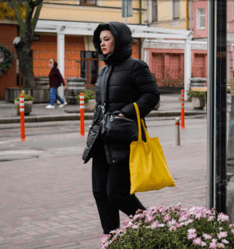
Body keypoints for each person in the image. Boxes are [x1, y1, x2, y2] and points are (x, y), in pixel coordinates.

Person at [82, 22, 160, 235]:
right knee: (100, 192)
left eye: (107, 39)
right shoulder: (104, 70)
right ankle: (112, 239)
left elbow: (152, 95)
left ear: (119, 40)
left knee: (116, 193)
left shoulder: (137, 66)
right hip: (101, 139)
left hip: (123, 140)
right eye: (100, 40)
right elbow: (101, 106)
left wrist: (126, 112)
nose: (102, 43)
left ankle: (153, 226)